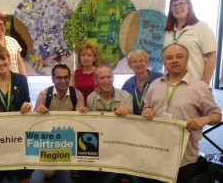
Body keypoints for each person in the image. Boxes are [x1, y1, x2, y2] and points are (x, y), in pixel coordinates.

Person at [142, 44, 222, 182]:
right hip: (156, 152)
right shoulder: (155, 84)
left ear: (187, 59)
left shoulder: (200, 87)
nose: (174, 60)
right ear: (164, 62)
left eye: (179, 56)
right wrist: (146, 110)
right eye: (169, 57)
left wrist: (204, 119)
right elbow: (146, 106)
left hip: (184, 157)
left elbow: (217, 116)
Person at [0, 43, 33, 183]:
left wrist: (28, 106)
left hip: (18, 135)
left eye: (3, 59)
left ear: (9, 59)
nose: (0, 63)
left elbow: (27, 101)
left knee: (23, 174)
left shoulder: (21, 80)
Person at [34, 63, 86, 178]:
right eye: (58, 77)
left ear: (69, 78)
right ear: (52, 79)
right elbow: (35, 122)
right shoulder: (44, 94)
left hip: (71, 140)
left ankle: (71, 165)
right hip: (52, 140)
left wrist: (83, 114)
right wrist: (38, 111)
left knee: (78, 172)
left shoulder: (77, 95)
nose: (63, 81)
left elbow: (81, 123)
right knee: (48, 173)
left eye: (66, 77)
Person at [86, 65, 133, 182]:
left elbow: (131, 126)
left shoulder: (126, 96)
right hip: (100, 139)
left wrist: (129, 112)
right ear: (95, 81)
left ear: (113, 78)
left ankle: (124, 174)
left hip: (120, 140)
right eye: (102, 78)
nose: (106, 81)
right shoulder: (91, 98)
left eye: (109, 77)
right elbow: (90, 125)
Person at [164, 0, 217, 84]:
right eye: (174, 5)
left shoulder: (202, 27)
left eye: (181, 3)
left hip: (194, 83)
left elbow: (211, 56)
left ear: (189, 6)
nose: (177, 7)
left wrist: (206, 82)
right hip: (171, 83)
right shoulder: (168, 31)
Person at [122, 49, 163, 115]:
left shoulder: (160, 79)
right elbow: (123, 105)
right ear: (129, 65)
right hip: (136, 123)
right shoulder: (127, 84)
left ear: (147, 62)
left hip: (156, 120)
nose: (138, 64)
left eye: (141, 61)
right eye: (134, 62)